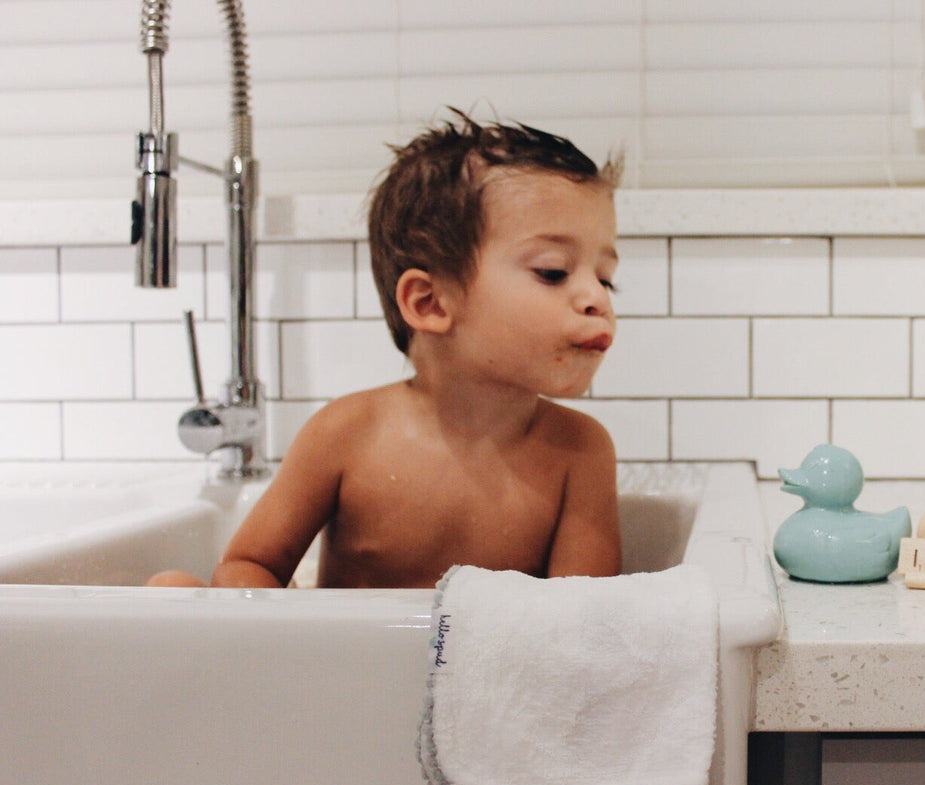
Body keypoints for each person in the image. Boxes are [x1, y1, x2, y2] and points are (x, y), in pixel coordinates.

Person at [149, 112, 623, 588]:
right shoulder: (346, 434)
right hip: (342, 641)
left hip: (487, 644)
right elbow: (250, 564)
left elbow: (579, 618)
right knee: (171, 589)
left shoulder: (580, 453)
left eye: (605, 279)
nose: (596, 298)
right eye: (553, 272)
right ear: (430, 302)